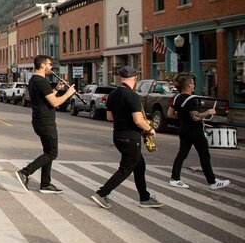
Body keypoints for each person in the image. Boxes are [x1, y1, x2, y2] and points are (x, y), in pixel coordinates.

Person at [90, 66, 163, 209]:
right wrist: (150, 129)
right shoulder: (133, 96)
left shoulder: (113, 94)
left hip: (118, 135)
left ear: (121, 78)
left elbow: (110, 116)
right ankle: (101, 193)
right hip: (130, 138)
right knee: (126, 168)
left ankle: (144, 197)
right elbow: (138, 120)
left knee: (139, 165)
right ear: (135, 78)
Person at [14, 55, 76, 193]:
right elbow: (54, 103)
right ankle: (25, 172)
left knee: (48, 152)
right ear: (42, 66)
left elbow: (47, 98)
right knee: (52, 153)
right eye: (49, 64)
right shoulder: (41, 81)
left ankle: (45, 184)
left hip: (40, 120)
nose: (51, 67)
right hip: (45, 122)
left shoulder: (35, 80)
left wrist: (57, 90)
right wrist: (68, 94)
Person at [167, 74, 230, 190]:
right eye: (193, 83)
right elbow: (195, 117)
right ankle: (212, 182)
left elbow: (170, 114)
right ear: (189, 85)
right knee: (204, 156)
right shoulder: (192, 100)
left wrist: (182, 117)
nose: (194, 85)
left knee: (182, 154)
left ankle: (174, 178)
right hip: (195, 132)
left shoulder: (176, 98)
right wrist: (208, 112)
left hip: (183, 130)